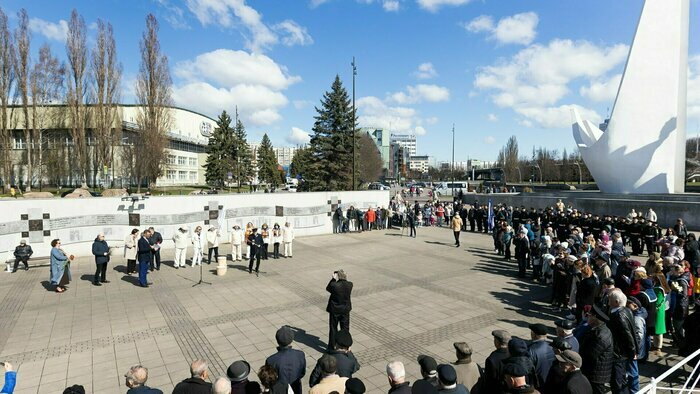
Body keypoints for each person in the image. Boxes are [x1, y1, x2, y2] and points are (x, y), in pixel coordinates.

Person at [607, 289, 638, 394]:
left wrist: (632, 352)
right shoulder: (625, 310)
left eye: (610, 299)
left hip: (619, 354)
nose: (608, 300)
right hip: (620, 352)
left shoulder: (619, 316)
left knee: (617, 381)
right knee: (620, 379)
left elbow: (628, 335)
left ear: (616, 302)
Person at [265, 326, 306, 394]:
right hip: (296, 388)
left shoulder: (271, 360)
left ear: (277, 341)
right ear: (292, 339)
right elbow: (302, 372)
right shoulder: (300, 354)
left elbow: (270, 379)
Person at [327, 269, 353, 350]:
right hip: (345, 310)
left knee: (333, 328)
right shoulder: (350, 284)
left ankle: (332, 346)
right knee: (345, 328)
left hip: (335, 310)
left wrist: (333, 279)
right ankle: (345, 346)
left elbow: (328, 288)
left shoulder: (334, 285)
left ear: (338, 276)